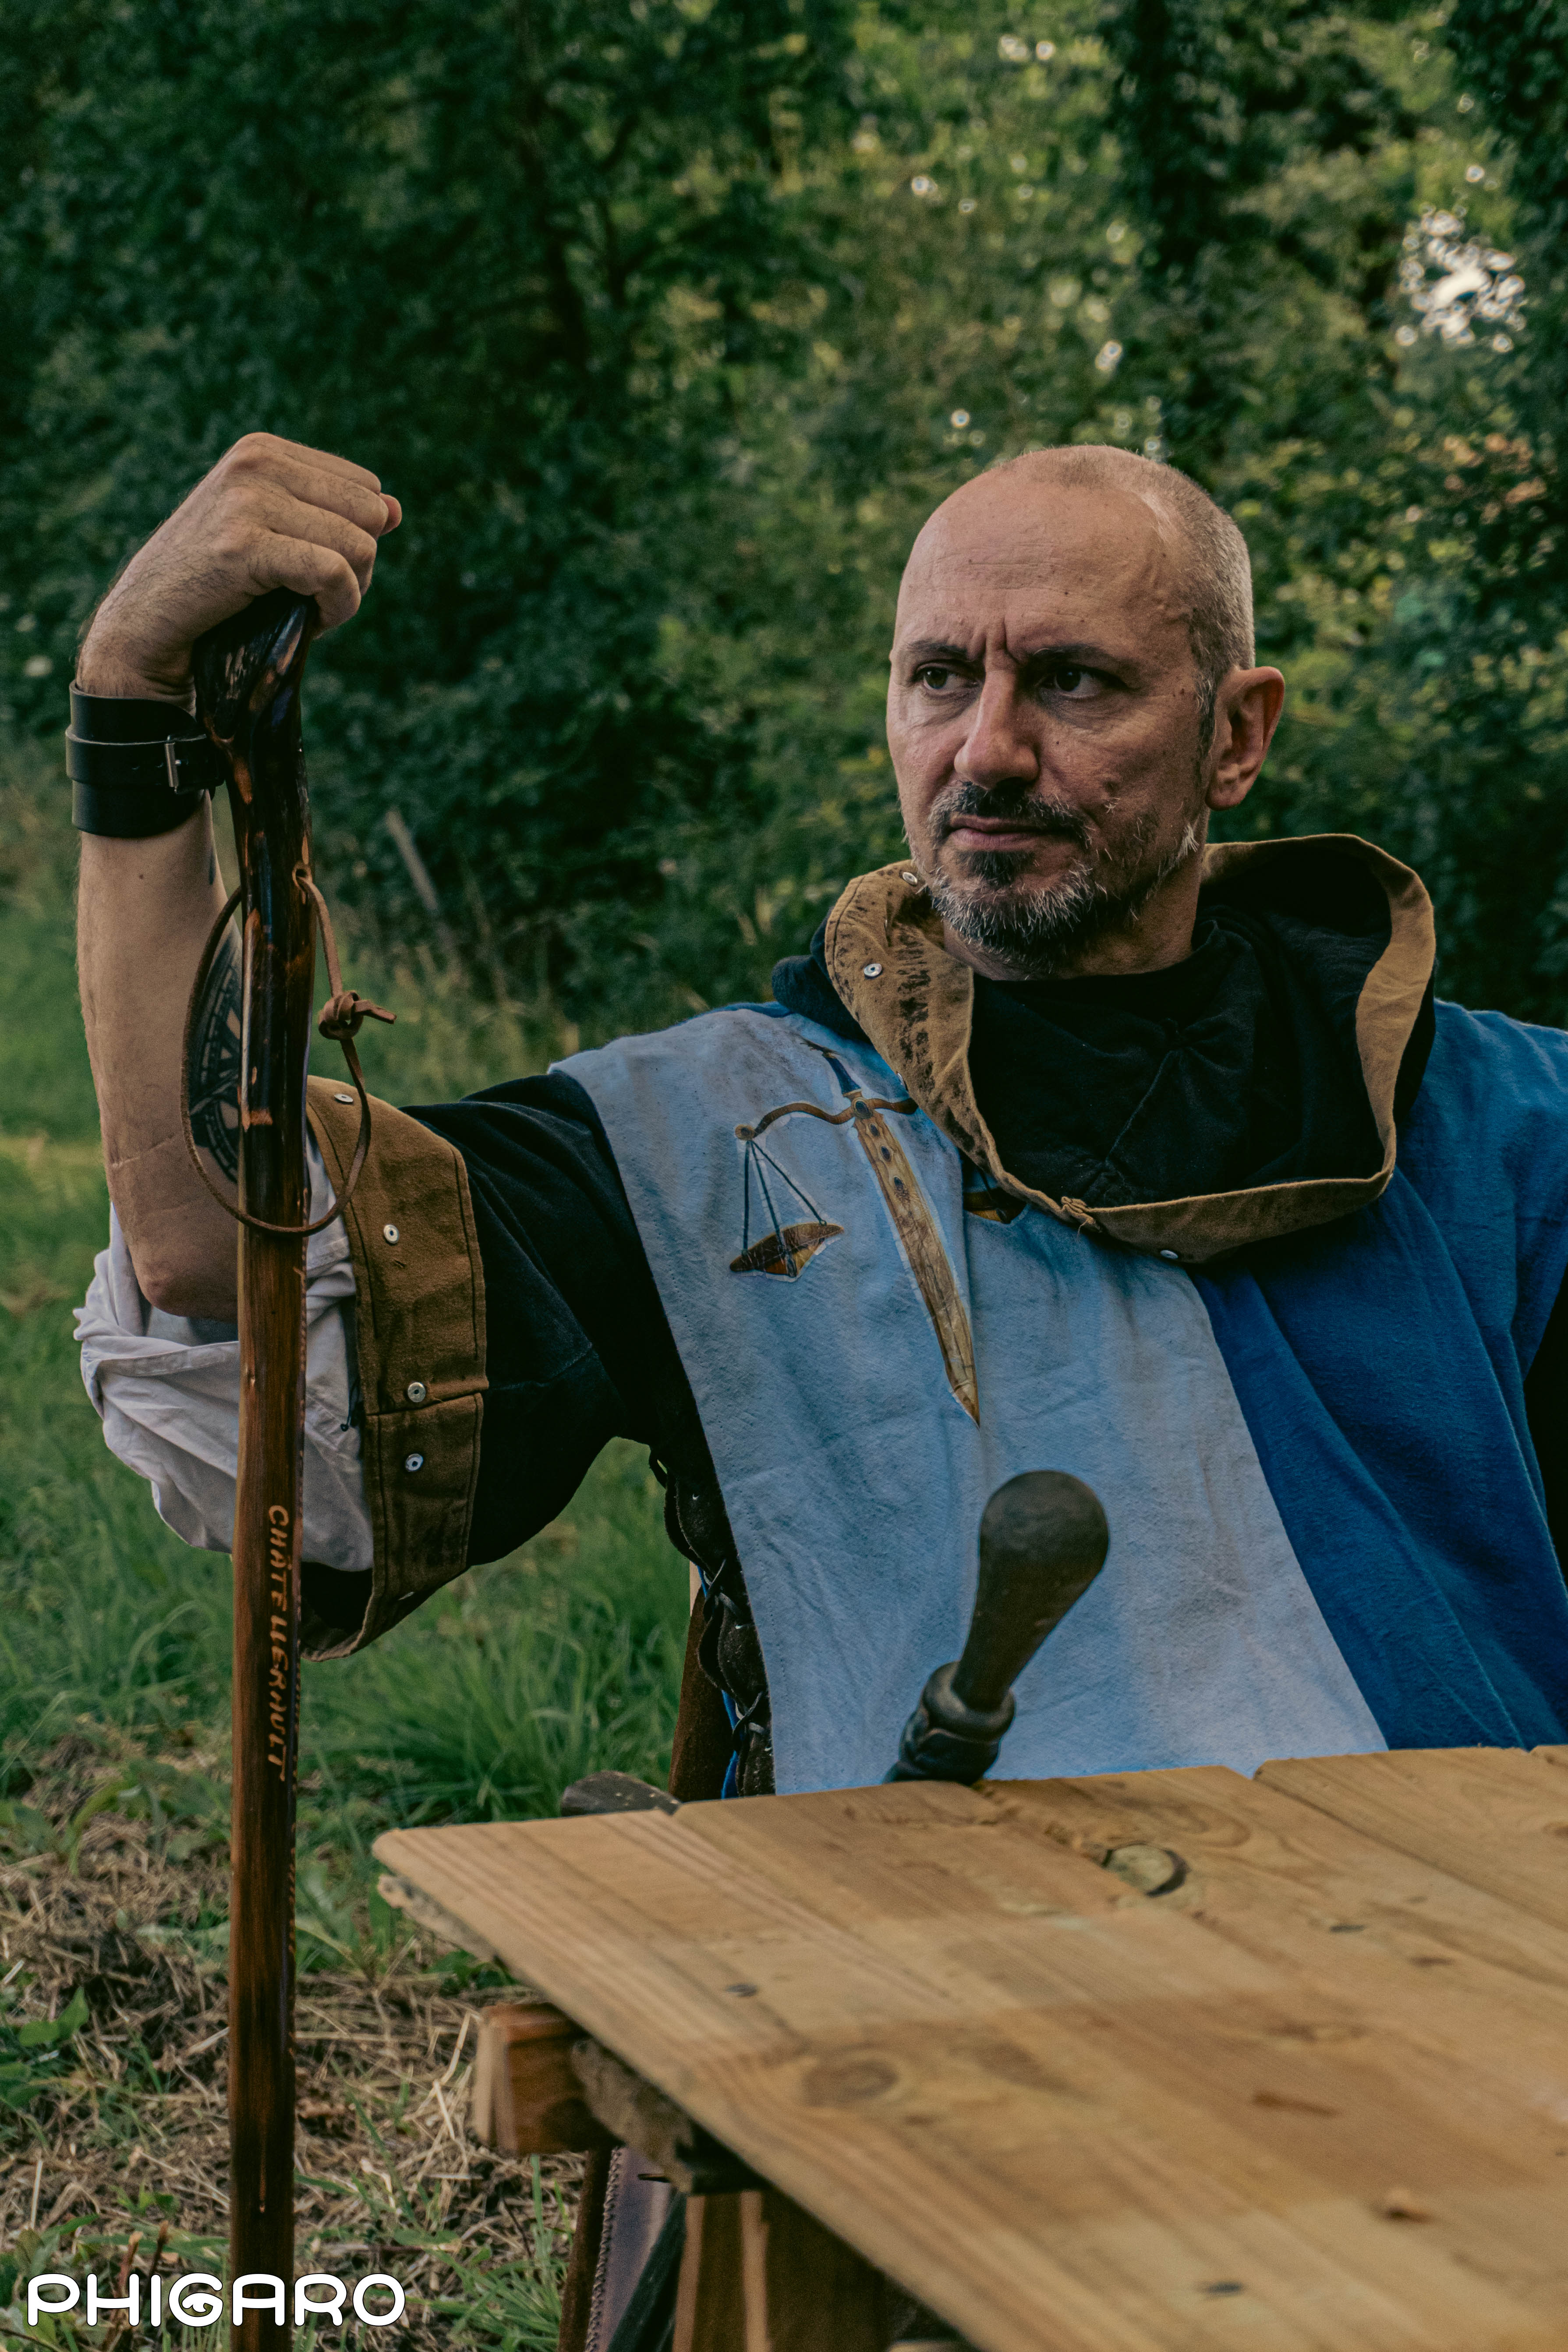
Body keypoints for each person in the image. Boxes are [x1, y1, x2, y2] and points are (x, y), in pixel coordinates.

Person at [74, 432, 1568, 1813]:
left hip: (1456, 1929)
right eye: (939, 678)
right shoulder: (712, 1137)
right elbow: (216, 1249)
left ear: (1234, 736)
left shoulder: (1498, 1129)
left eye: (1071, 681)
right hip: (926, 1963)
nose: (985, 749)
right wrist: (131, 714)